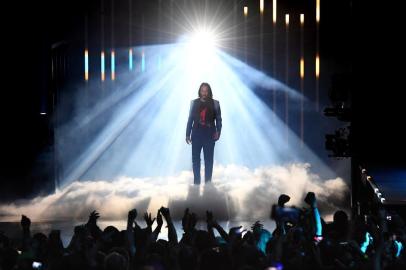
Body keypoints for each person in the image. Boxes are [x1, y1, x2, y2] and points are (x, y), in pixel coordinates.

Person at [186, 82, 222, 185]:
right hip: (196, 135)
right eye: (202, 91)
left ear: (209, 92)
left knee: (209, 161)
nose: (204, 93)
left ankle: (208, 184)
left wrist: (218, 132)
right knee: (195, 160)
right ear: (199, 91)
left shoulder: (215, 103)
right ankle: (196, 184)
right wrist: (187, 134)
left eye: (206, 91)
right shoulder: (193, 103)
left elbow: (219, 120)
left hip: (210, 135)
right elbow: (190, 120)